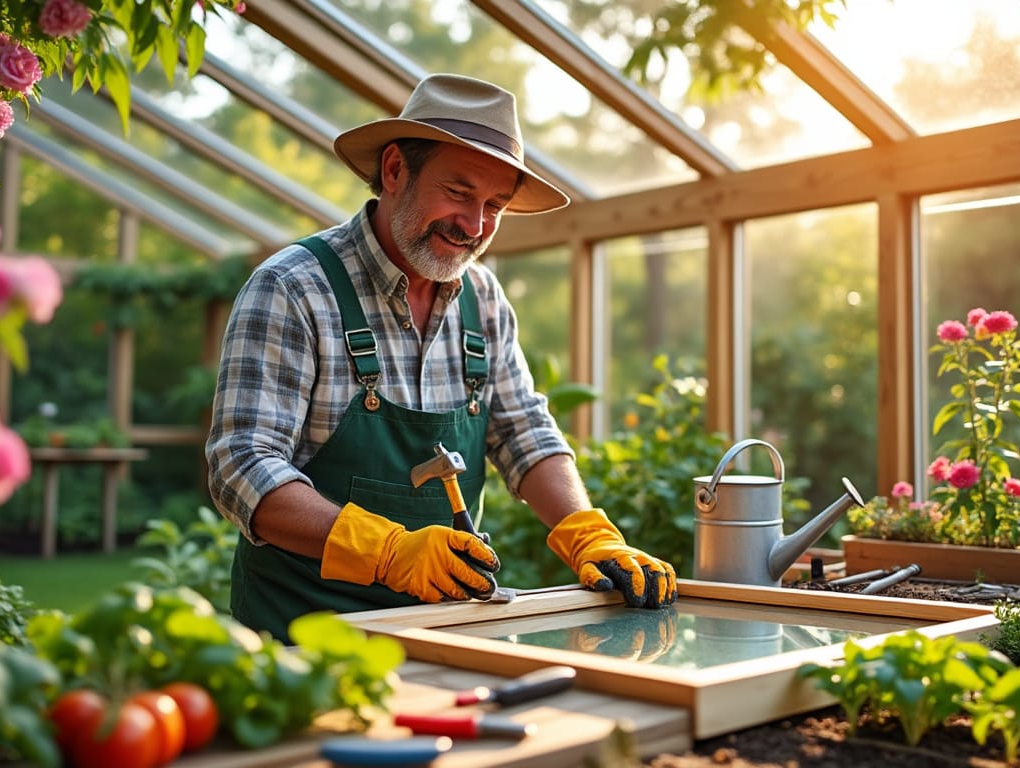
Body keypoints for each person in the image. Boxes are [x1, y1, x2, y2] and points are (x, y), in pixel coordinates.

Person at [206, 73, 677, 642]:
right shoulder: (294, 287)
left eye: (494, 206)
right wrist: (387, 552)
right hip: (306, 636)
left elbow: (523, 432)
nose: (474, 226)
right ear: (395, 170)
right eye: (458, 192)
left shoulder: (484, 299)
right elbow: (242, 465)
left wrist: (587, 532)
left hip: (445, 630)